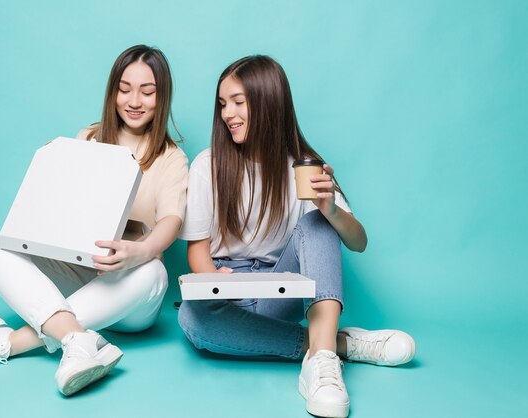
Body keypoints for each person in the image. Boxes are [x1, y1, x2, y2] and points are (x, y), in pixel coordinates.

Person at [0, 45, 188, 397]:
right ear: (113, 91)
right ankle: (77, 341)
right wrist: (52, 166)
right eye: (124, 89)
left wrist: (138, 253)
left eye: (147, 91)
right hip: (77, 273)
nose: (134, 100)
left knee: (155, 272)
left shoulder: (171, 157)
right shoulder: (90, 137)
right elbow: (60, 207)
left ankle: (7, 342)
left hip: (130, 294)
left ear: (163, 96)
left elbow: (170, 222)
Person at [177, 55, 415, 418]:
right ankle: (334, 347)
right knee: (192, 321)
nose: (228, 114)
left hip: (280, 292)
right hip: (227, 291)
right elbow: (197, 251)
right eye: (223, 104)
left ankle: (321, 369)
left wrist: (330, 208)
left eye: (238, 102)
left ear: (268, 101)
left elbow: (358, 242)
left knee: (319, 223)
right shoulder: (207, 165)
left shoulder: (303, 165)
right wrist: (211, 278)